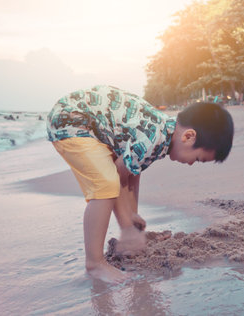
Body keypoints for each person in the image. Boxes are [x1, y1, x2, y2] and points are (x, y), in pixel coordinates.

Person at [46, 85, 234, 283]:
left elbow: (132, 173)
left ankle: (107, 249)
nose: (190, 164)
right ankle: (94, 263)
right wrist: (126, 226)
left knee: (113, 178)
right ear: (188, 136)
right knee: (106, 184)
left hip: (91, 126)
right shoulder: (153, 138)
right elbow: (118, 174)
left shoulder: (162, 135)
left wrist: (132, 214)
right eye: (196, 159)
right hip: (71, 121)